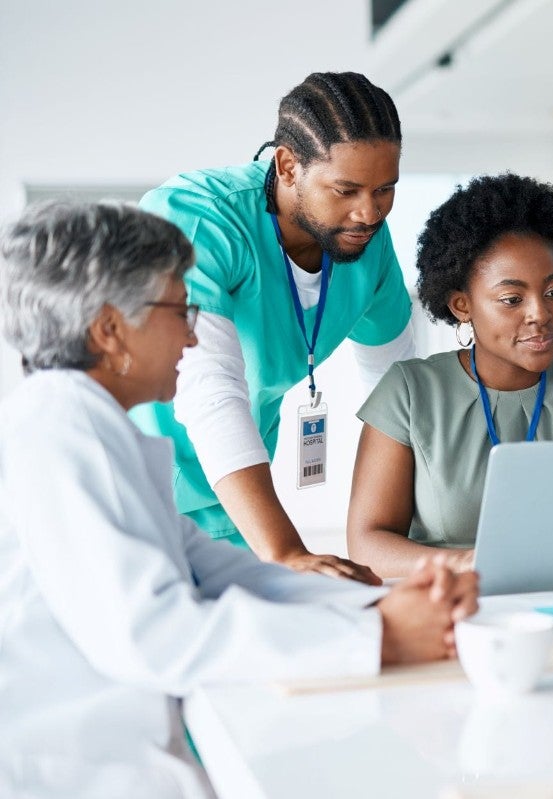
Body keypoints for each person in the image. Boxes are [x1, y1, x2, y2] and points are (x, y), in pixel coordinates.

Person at [0, 202, 478, 798]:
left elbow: (220, 573)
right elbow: (155, 635)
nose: (193, 332)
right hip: (74, 771)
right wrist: (377, 638)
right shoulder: (60, 429)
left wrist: (384, 602)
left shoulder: (94, 427)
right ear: (108, 330)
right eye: (179, 310)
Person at [131, 72, 414, 585]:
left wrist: (406, 533)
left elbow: (397, 395)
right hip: (134, 494)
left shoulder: (366, 241)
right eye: (346, 189)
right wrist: (284, 550)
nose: (369, 212)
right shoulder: (202, 219)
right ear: (287, 166)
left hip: (231, 508)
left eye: (386, 189)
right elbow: (207, 388)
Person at [348, 173, 553, 576]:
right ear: (461, 306)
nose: (541, 313)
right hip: (449, 606)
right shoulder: (409, 391)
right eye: (512, 299)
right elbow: (367, 545)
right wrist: (472, 565)